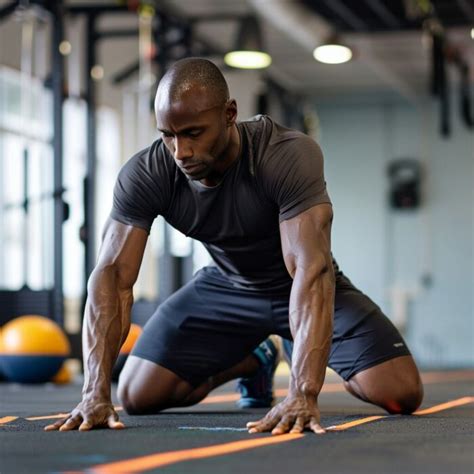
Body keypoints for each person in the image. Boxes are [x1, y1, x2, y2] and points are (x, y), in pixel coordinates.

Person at [46, 58, 423, 435]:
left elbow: (311, 269)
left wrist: (303, 390)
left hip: (301, 285)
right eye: (168, 135)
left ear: (230, 114)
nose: (181, 151)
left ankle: (296, 341)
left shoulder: (285, 155)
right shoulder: (147, 173)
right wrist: (94, 390)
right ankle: (251, 360)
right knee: (137, 395)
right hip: (226, 286)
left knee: (400, 394)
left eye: (194, 132)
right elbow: (112, 275)